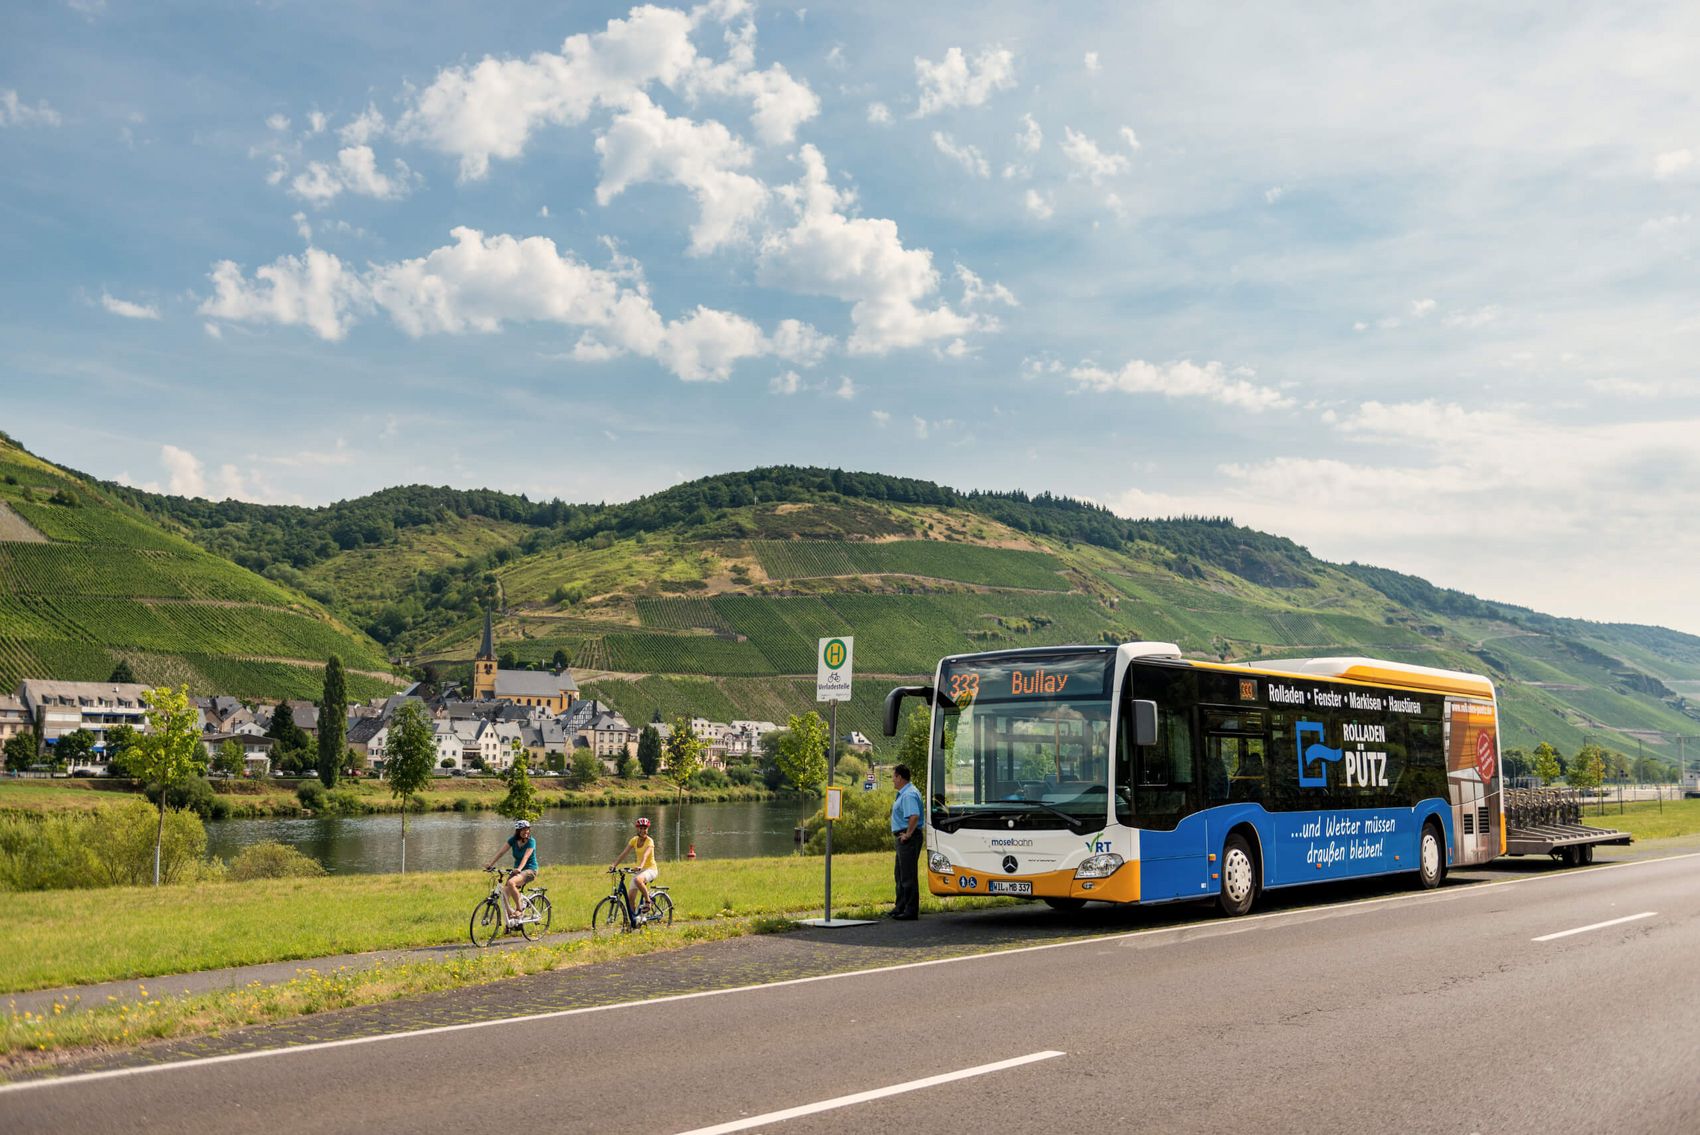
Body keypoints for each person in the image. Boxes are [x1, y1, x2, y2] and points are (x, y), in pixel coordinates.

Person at [485, 818, 538, 928]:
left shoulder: (531, 841)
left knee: (511, 883)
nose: (526, 832)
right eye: (523, 830)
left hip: (530, 870)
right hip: (517, 870)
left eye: (528, 829)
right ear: (518, 831)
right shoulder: (513, 840)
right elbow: (501, 852)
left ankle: (519, 909)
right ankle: (513, 921)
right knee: (504, 893)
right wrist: (490, 864)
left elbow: (526, 857)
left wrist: (519, 868)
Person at [890, 764, 924, 920]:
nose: (892, 780)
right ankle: (900, 906)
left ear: (900, 777)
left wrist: (908, 834)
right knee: (900, 873)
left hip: (908, 838)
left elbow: (914, 816)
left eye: (894, 777)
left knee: (907, 875)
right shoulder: (905, 793)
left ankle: (910, 910)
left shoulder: (908, 794)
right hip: (903, 837)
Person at [610, 816, 658, 917]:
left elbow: (645, 855)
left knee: (637, 880)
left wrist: (640, 866)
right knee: (630, 898)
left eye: (645, 828)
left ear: (647, 829)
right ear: (637, 828)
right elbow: (624, 853)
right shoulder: (634, 840)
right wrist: (614, 864)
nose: (643, 830)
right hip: (639, 870)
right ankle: (634, 920)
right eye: (641, 828)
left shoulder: (650, 841)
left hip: (650, 869)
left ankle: (648, 902)